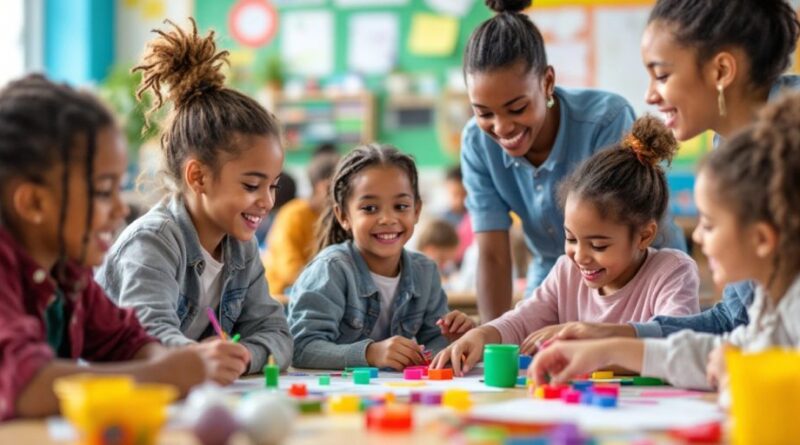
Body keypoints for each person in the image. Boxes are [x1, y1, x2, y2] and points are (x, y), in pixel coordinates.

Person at [544, 0, 800, 343]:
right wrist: (616, 336)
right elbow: (737, 318)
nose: (650, 95)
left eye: (662, 75)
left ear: (721, 70)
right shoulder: (728, 148)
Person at [530, 93, 800, 391]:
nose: (696, 236)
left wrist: (748, 373)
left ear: (760, 238)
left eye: (708, 225)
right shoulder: (769, 302)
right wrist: (604, 350)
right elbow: (713, 352)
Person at [460, 0, 686, 322]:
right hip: (556, 276)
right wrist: (493, 341)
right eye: (483, 113)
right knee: (530, 358)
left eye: (517, 108)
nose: (502, 127)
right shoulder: (476, 143)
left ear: (547, 82)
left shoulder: (605, 120)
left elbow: (625, 238)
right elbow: (494, 255)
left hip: (635, 271)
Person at [96, 19, 293, 382]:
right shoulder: (153, 241)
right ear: (198, 177)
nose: (266, 201)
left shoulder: (240, 247)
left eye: (273, 186)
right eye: (252, 185)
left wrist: (243, 355)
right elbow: (145, 339)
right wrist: (201, 359)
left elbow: (278, 334)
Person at [0, 74, 207, 419]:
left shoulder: (69, 273)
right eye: (102, 191)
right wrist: (161, 376)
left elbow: (129, 342)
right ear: (34, 202)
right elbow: (26, 386)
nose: (120, 208)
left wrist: (165, 362)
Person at [433, 116, 699, 375]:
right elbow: (521, 321)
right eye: (571, 239)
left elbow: (674, 345)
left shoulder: (672, 271)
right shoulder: (566, 272)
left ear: (643, 236)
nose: (580, 256)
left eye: (598, 245)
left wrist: (587, 349)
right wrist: (481, 334)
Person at [287, 144, 475, 370]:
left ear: (416, 211)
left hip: (395, 395)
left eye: (401, 206)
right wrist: (370, 354)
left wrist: (453, 340)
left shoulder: (425, 271)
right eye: (369, 208)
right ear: (343, 215)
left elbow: (433, 339)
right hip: (341, 397)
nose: (387, 218)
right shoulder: (332, 269)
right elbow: (301, 347)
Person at [263, 151, 339, 295]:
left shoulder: (336, 216)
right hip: (283, 297)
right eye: (340, 185)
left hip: (316, 292)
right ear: (323, 186)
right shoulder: (293, 214)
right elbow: (289, 269)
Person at [416, 218, 460, 284]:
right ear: (429, 249)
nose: (444, 264)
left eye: (448, 260)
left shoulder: (447, 267)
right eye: (442, 258)